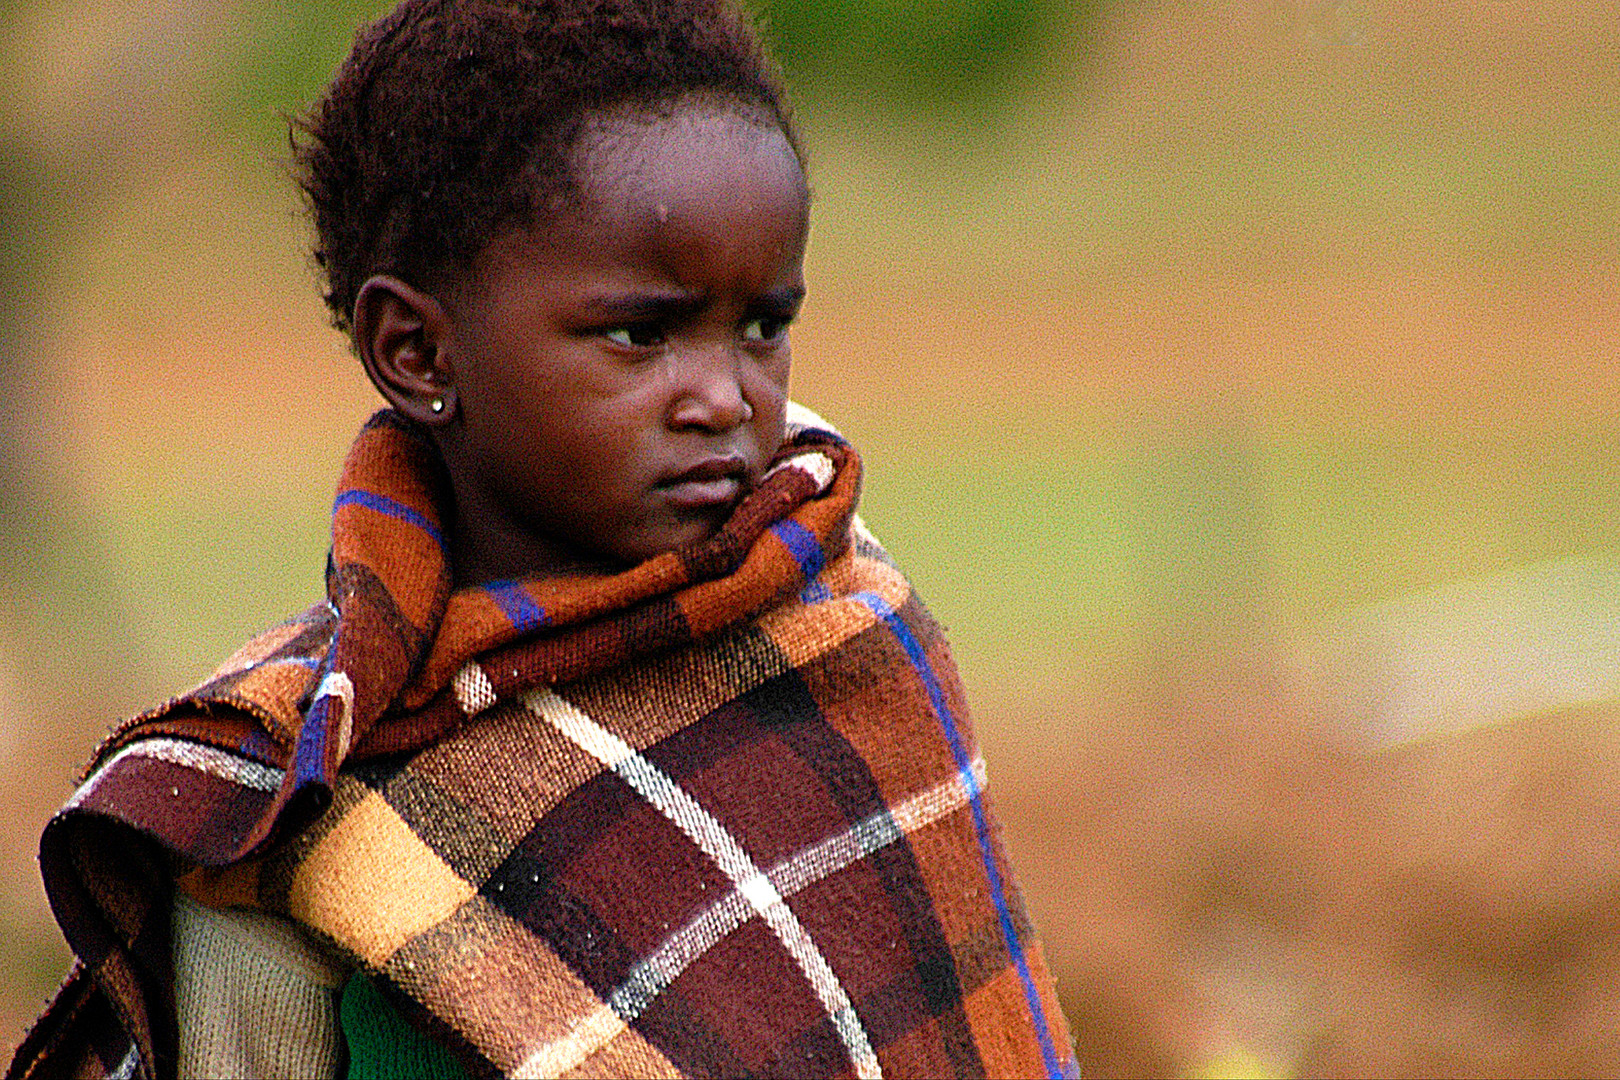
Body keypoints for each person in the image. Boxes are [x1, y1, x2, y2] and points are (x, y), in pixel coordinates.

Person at [8, 2, 1077, 1077]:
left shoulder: (846, 640)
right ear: (419, 351)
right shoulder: (288, 796)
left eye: (763, 324)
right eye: (640, 333)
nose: (723, 395)